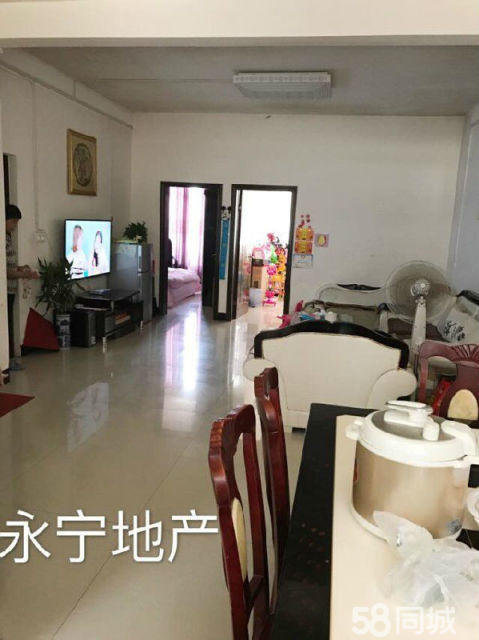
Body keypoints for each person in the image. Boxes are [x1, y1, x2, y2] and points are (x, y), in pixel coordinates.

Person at [5, 204, 39, 371]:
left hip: (10, 290)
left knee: (9, 325)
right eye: (14, 222)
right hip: (4, 291)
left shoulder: (7, 238)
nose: (15, 226)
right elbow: (5, 272)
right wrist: (25, 274)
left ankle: (10, 360)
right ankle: (7, 362)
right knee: (6, 327)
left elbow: (9, 266)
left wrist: (20, 268)